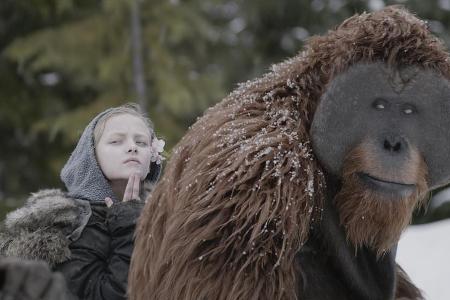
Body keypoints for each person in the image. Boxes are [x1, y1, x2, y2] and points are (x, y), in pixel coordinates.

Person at [0, 103, 164, 300]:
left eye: (142, 142)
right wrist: (129, 226)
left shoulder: (167, 222)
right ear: (91, 156)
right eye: (116, 141)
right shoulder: (70, 223)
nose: (132, 147)